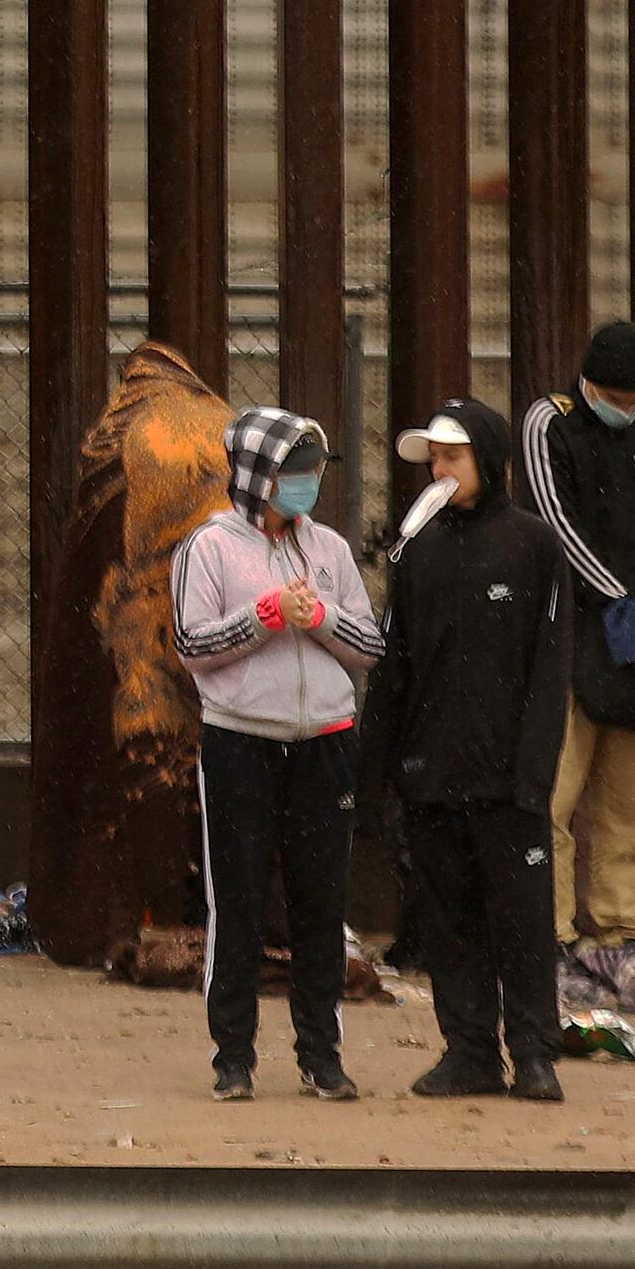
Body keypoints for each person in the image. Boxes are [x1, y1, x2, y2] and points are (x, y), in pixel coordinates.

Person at [173, 404, 382, 1102]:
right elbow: (193, 646)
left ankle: (321, 1053)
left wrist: (318, 618)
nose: (307, 486)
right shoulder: (209, 546)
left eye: (314, 472)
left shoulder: (329, 549)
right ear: (259, 476)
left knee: (320, 902)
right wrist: (264, 617)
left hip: (325, 741)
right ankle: (233, 1055)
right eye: (294, 472)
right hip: (241, 741)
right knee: (237, 900)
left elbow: (370, 644)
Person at [366, 399, 570, 1102]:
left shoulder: (535, 545)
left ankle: (536, 1052)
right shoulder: (415, 546)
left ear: (487, 457)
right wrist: (377, 773)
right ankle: (470, 1050)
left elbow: (551, 668)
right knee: (448, 922)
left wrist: (534, 773)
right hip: (431, 775)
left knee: (523, 921)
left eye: (453, 456)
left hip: (508, 780)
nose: (440, 468)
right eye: (434, 458)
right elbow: (395, 663)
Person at [522, 319, 635, 959]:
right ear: (589, 383)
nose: (627, 411)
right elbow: (553, 524)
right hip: (569, 635)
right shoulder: (550, 422)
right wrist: (613, 599)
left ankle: (623, 929)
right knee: (556, 793)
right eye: (616, 399)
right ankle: (554, 933)